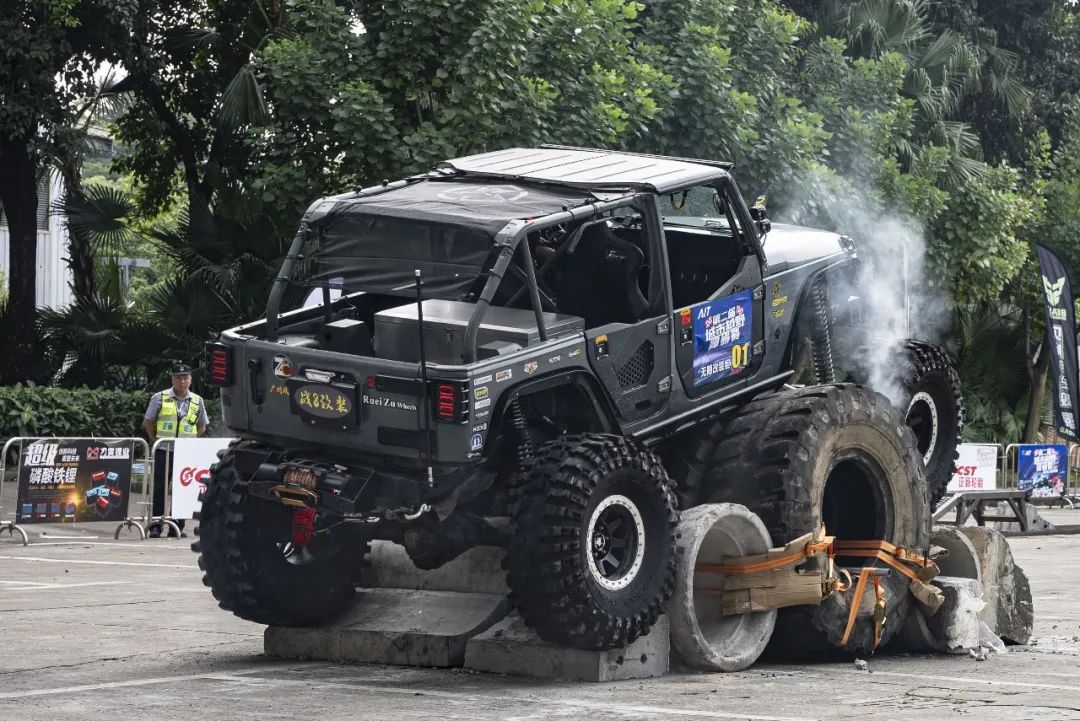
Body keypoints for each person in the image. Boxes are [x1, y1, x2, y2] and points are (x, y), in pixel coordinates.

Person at [143, 364, 208, 537]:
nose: (182, 381)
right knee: (159, 488)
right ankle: (156, 526)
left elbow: (202, 426)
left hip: (185, 452)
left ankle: (176, 526)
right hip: (163, 449)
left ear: (190, 380)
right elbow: (148, 421)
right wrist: (156, 439)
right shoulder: (160, 397)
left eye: (186, 377)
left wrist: (189, 441)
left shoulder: (197, 400)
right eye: (179, 378)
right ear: (172, 379)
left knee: (182, 489)